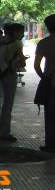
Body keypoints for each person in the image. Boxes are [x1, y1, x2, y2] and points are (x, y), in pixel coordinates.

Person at [0, 23, 27, 142]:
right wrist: (21, 61)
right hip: (10, 74)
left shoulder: (0, 40)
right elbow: (23, 62)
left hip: (0, 73)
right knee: (8, 104)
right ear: (15, 32)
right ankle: (4, 132)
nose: (22, 35)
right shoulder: (17, 44)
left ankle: (1, 127)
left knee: (2, 101)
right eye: (21, 32)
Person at [34, 14, 55, 152]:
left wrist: (44, 77)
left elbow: (36, 65)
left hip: (51, 83)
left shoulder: (43, 43)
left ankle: (50, 145)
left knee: (50, 116)